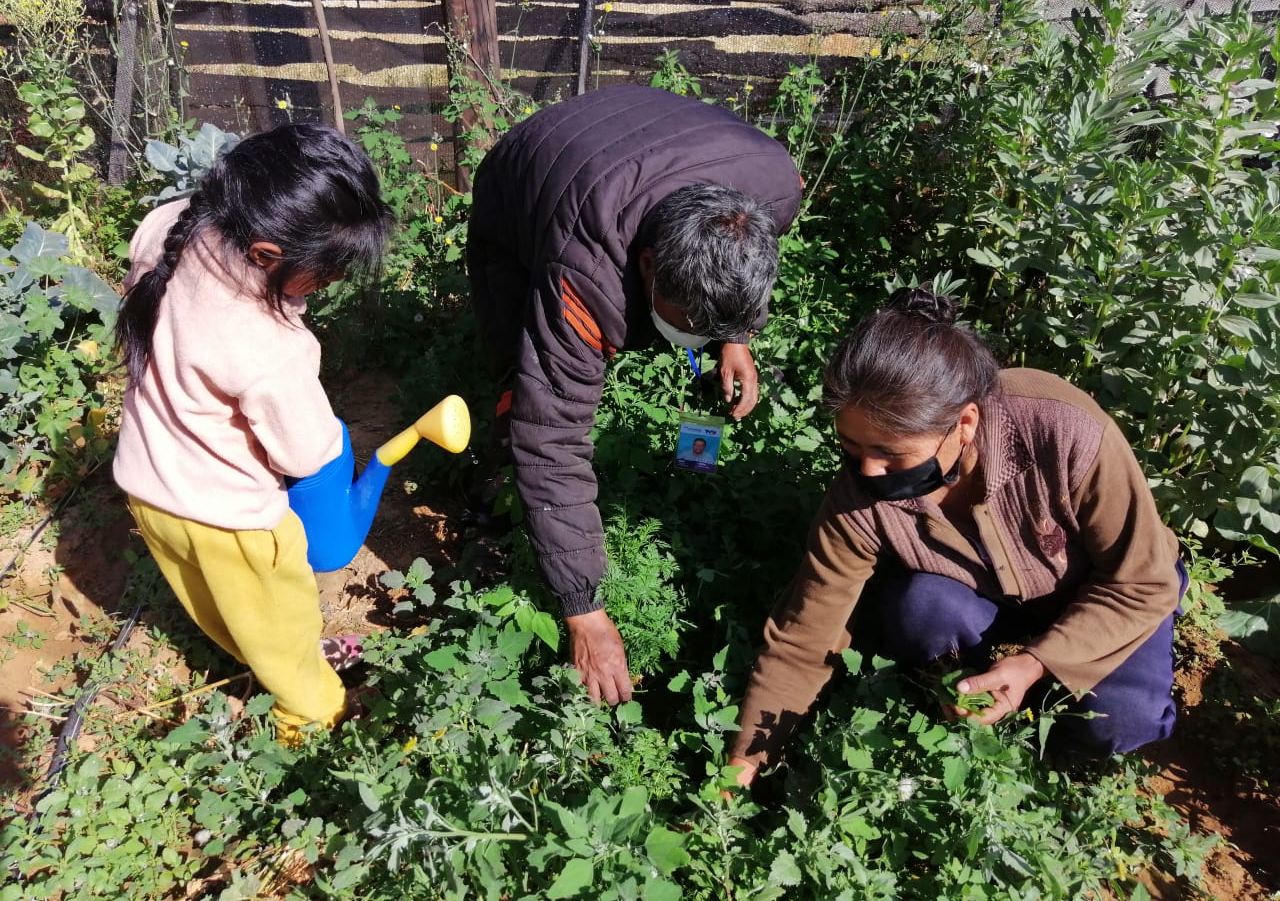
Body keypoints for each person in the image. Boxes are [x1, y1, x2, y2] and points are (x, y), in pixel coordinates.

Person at [729, 287, 1185, 784]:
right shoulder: (856, 500)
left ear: (965, 422)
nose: (871, 471)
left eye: (891, 453)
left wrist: (1035, 665)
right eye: (850, 445)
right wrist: (742, 768)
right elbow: (802, 640)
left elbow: (1144, 581)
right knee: (920, 609)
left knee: (1122, 722)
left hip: (1106, 587)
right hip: (983, 598)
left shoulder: (1062, 427)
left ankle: (1048, 733)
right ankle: (969, 693)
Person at [467, 84, 803, 705]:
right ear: (646, 266)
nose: (694, 339)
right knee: (524, 376)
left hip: (641, 137)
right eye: (691, 322)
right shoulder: (583, 265)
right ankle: (497, 488)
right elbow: (555, 438)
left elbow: (737, 272)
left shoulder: (776, 188)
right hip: (526, 179)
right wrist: (583, 611)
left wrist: (735, 338)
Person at [113, 123, 393, 745]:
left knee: (217, 606)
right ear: (266, 253)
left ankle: (247, 652)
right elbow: (308, 451)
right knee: (282, 622)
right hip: (231, 521)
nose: (329, 285)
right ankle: (311, 719)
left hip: (148, 488)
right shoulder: (269, 346)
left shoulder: (170, 225)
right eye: (323, 273)